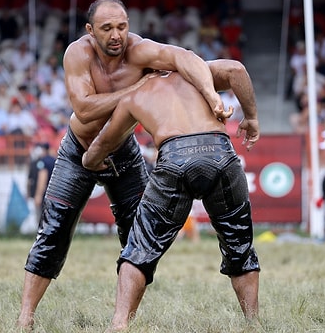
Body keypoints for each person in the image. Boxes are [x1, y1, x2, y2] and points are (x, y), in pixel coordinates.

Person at [17, 0, 258, 329]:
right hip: (80, 150)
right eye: (107, 29)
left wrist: (212, 95)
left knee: (139, 237)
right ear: (90, 31)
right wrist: (137, 89)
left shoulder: (139, 50)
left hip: (123, 150)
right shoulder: (78, 53)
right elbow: (85, 109)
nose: (117, 35)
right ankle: (25, 317)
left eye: (122, 26)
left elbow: (184, 57)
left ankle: (123, 320)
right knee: (54, 230)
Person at [82, 71, 260, 330]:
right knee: (239, 244)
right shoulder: (199, 73)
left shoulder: (135, 94)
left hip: (174, 157)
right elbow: (236, 69)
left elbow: (103, 143)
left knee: (140, 247)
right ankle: (253, 323)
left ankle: (119, 324)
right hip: (220, 152)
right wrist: (251, 117)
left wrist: (90, 162)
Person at [26, 142, 56, 223]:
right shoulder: (54, 160)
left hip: (45, 194)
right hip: (55, 193)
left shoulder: (42, 162)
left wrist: (38, 195)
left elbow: (42, 178)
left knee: (42, 219)